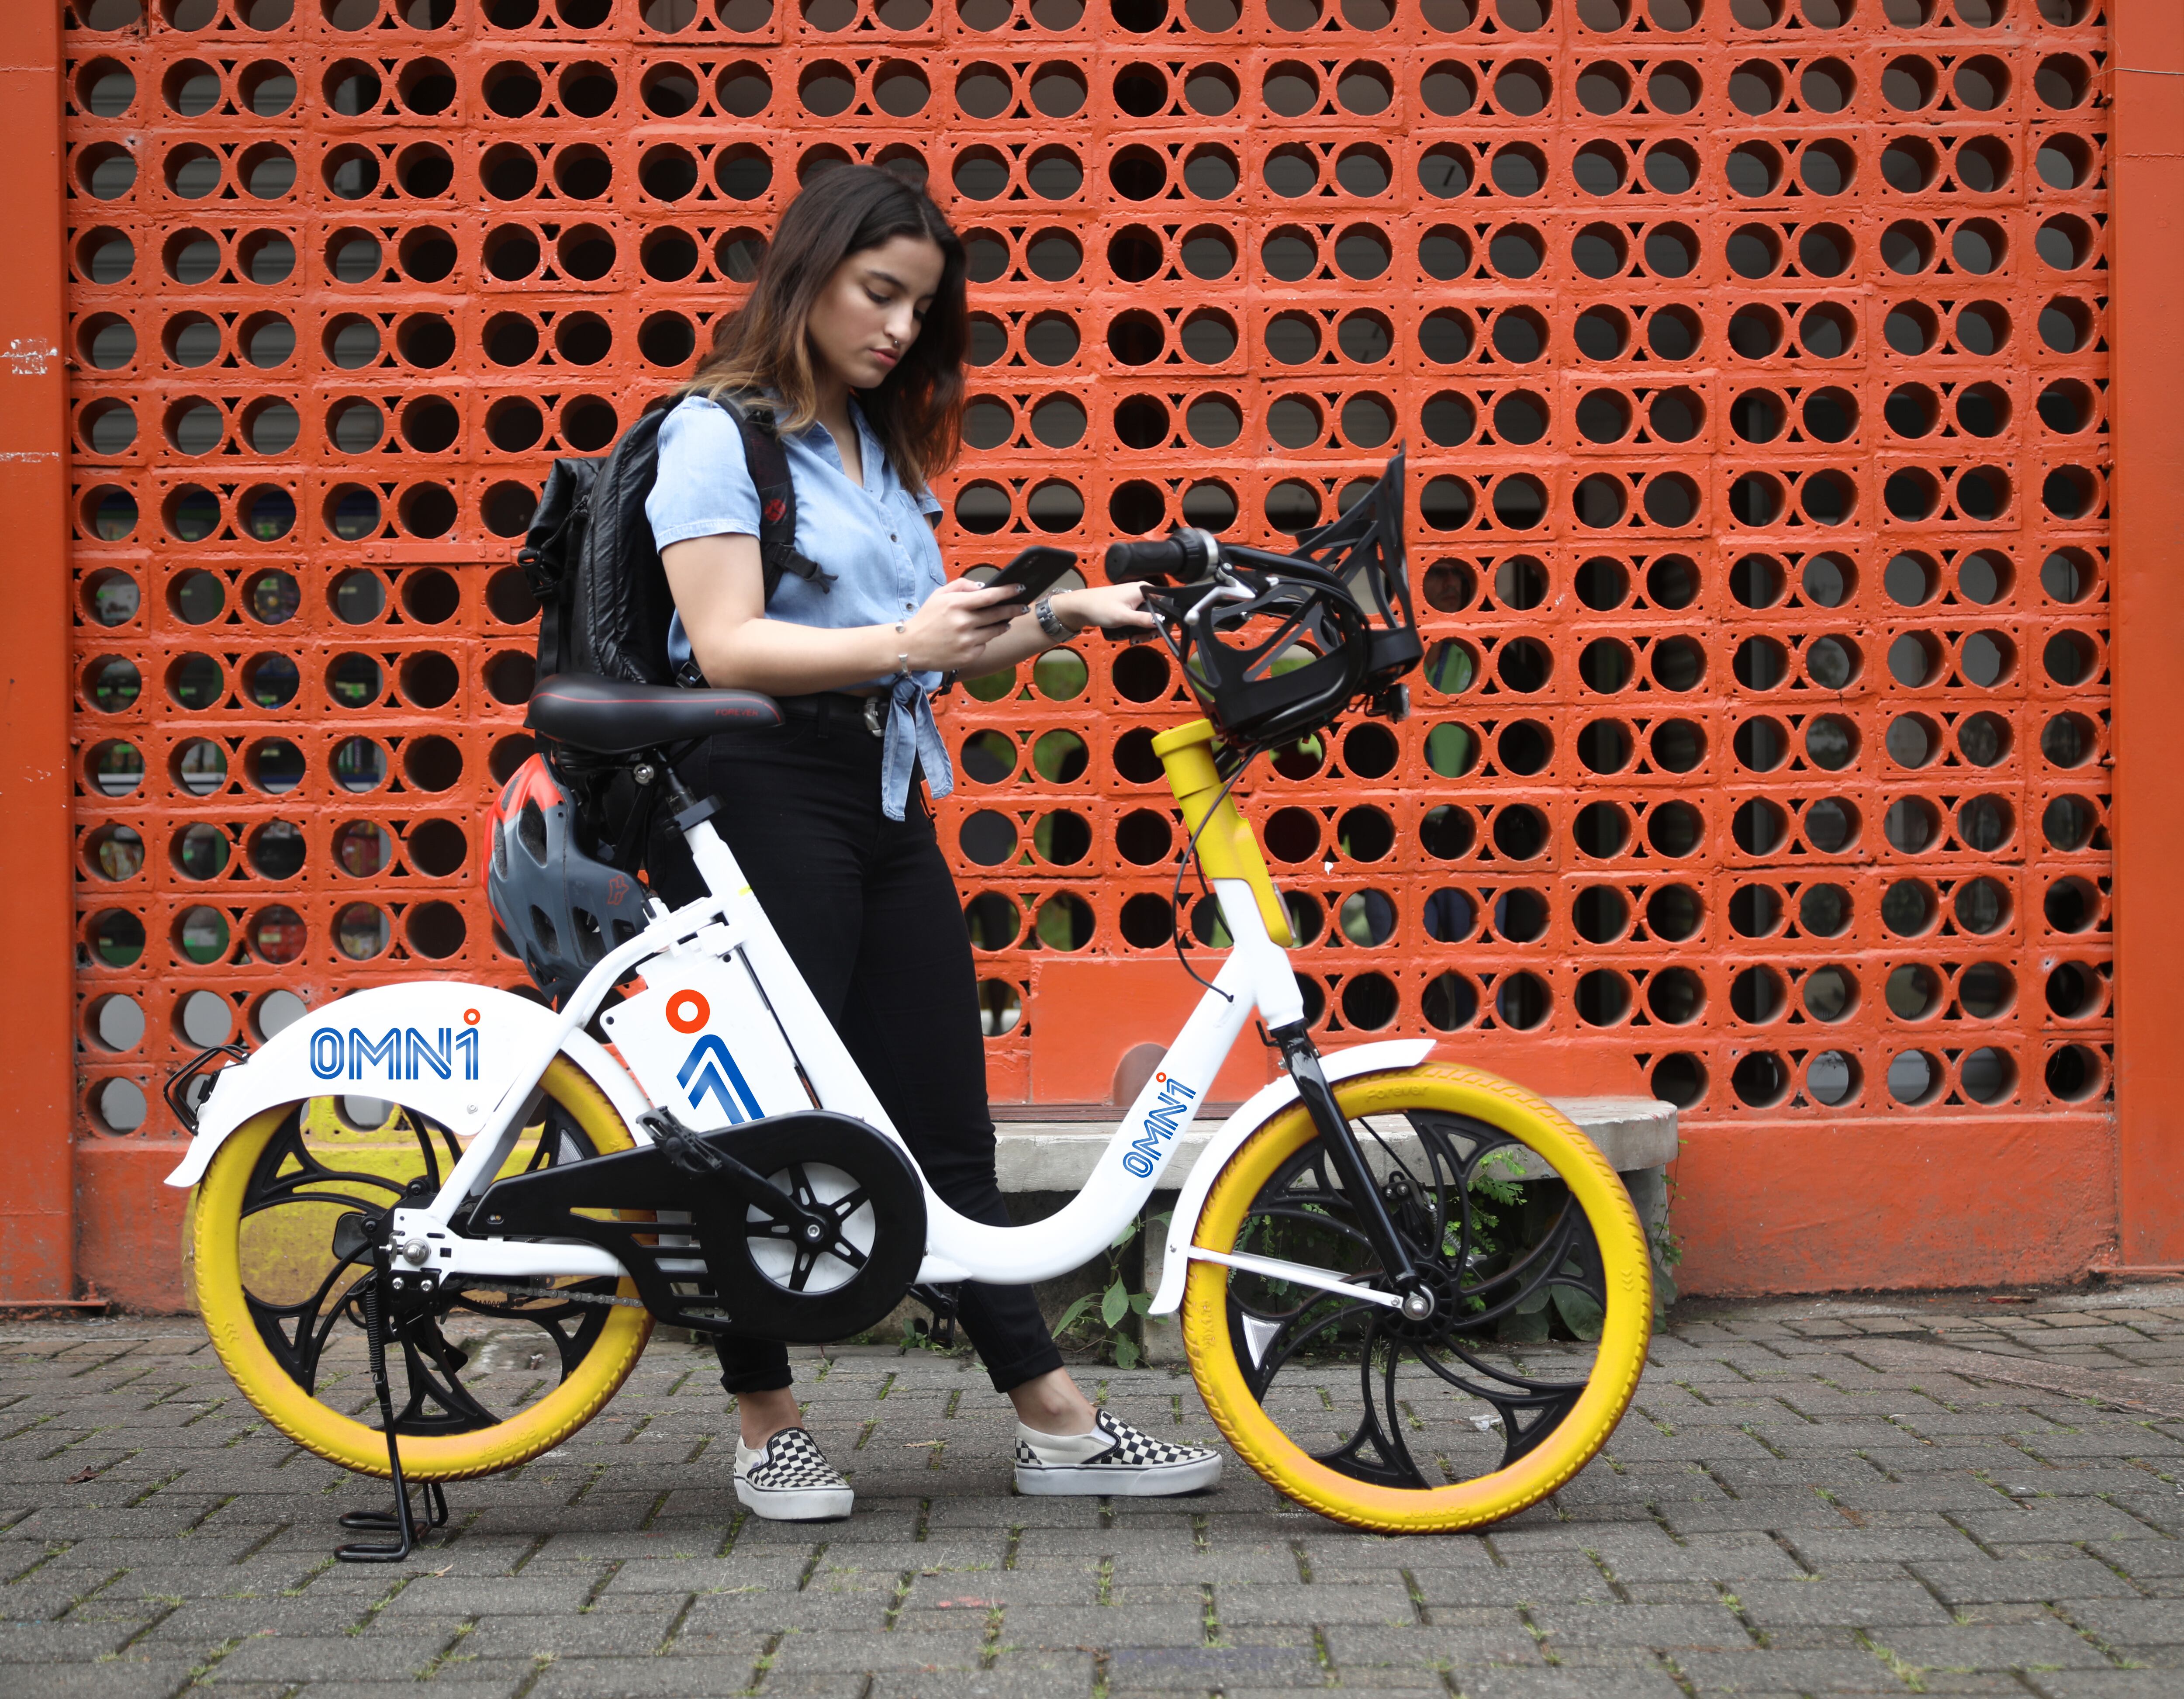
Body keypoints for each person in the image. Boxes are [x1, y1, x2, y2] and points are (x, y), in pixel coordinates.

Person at [643, 163, 1221, 1522]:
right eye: (878, 292)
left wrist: (1075, 611)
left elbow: (930, 656)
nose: (901, 328)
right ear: (810, 276)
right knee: (764, 1125)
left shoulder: (876, 449)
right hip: (753, 793)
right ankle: (765, 1422)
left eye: (921, 307)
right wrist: (907, 639)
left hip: (885, 792)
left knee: (946, 1133)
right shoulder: (716, 436)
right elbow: (728, 641)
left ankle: (1055, 1423)